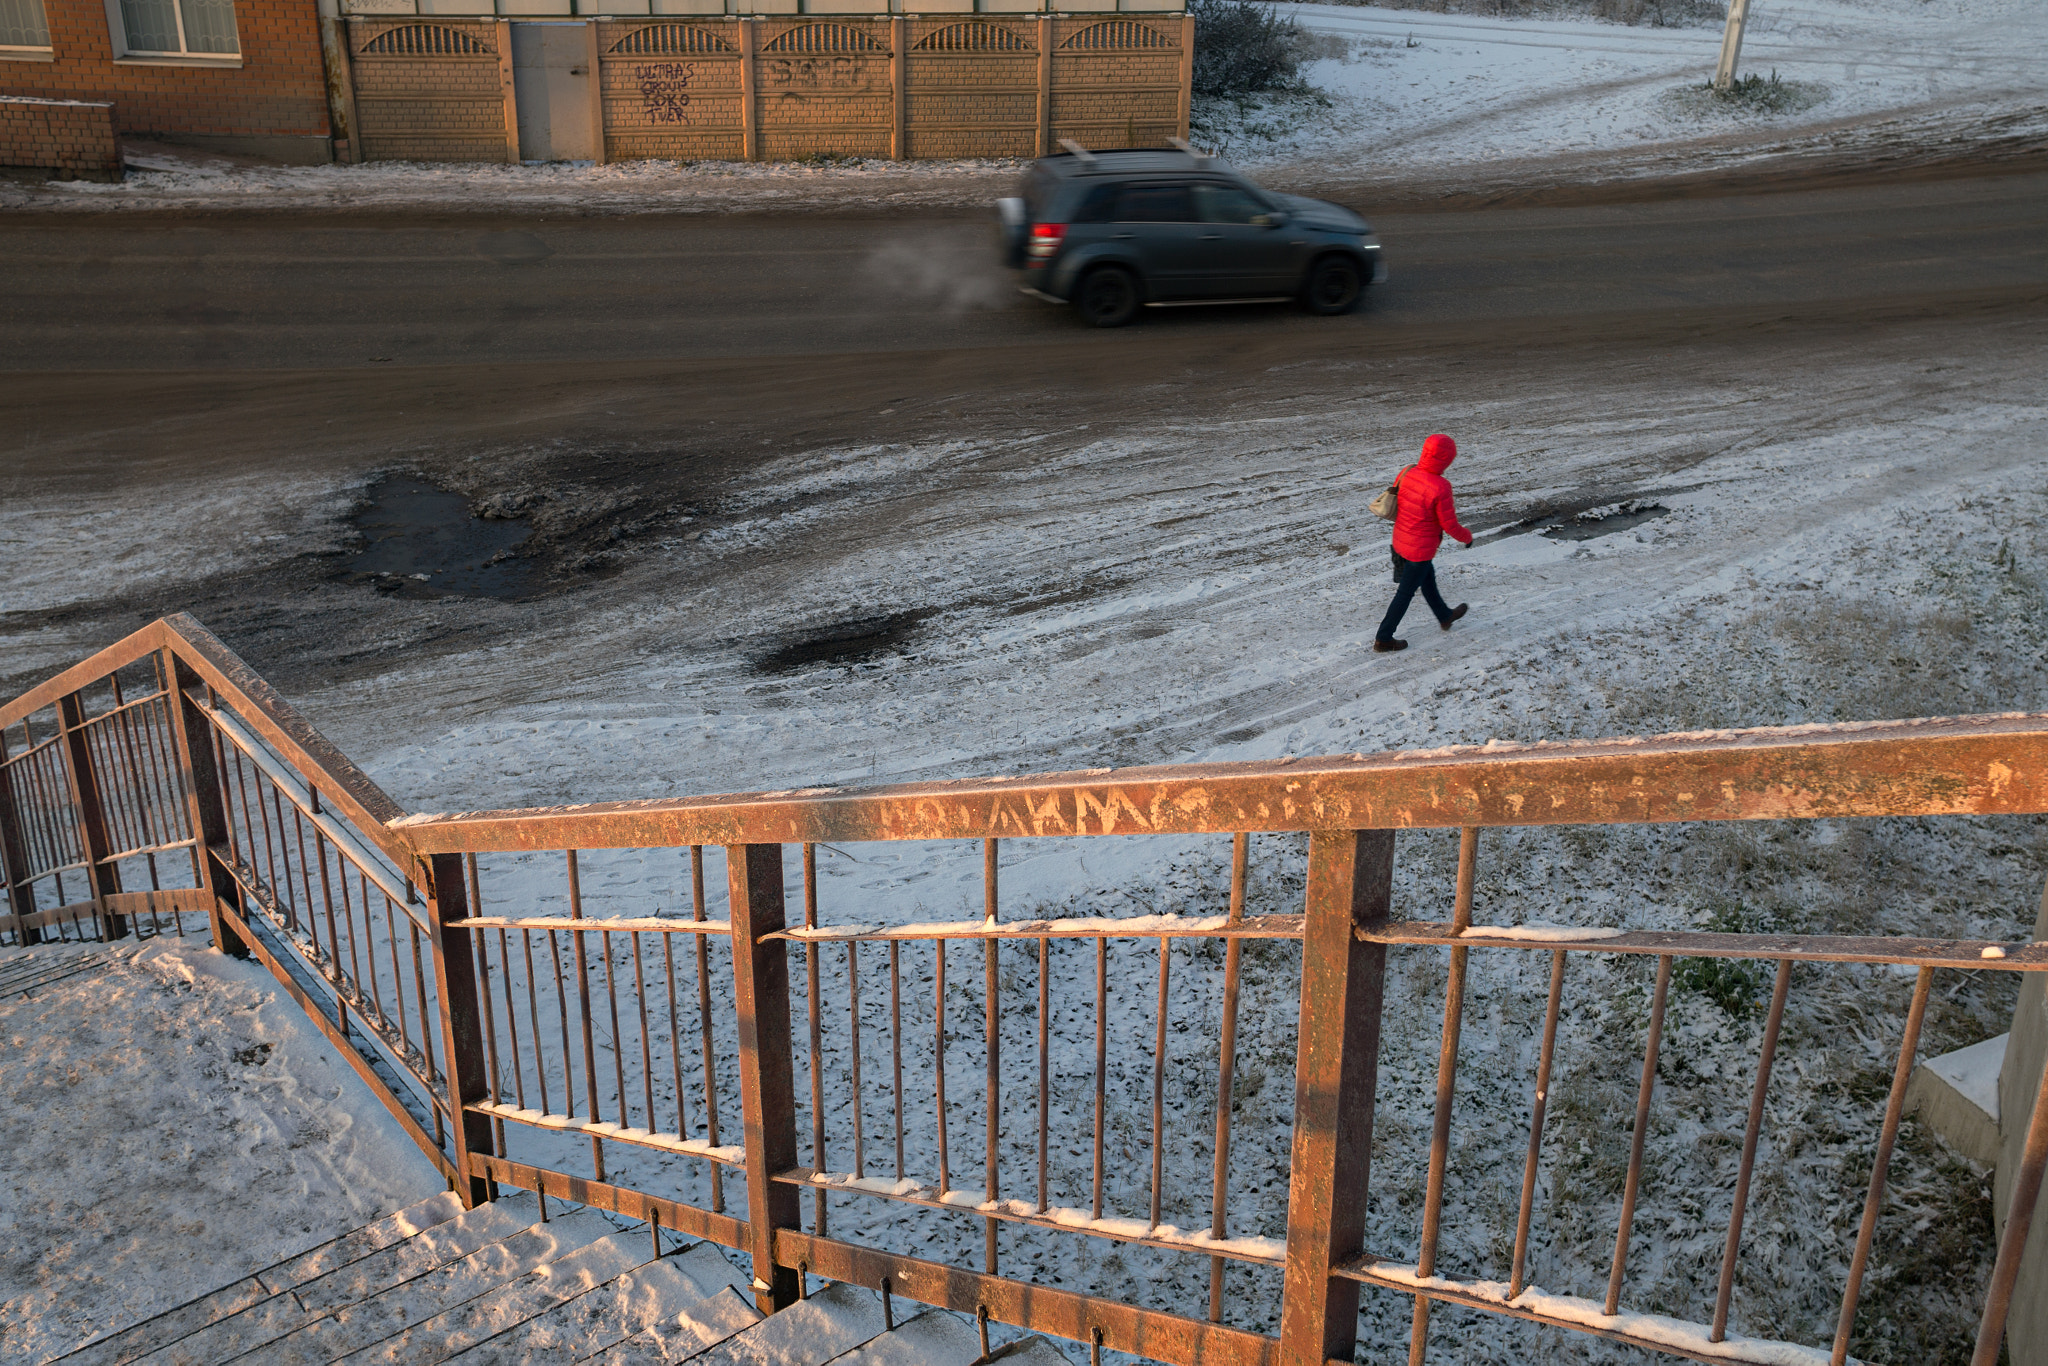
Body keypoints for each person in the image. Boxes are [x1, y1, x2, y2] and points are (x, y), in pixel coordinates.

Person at [1374, 433, 1471, 653]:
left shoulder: (1408, 471)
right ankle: (1383, 638)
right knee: (1405, 593)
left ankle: (1445, 616)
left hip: (1401, 539)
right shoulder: (1440, 486)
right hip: (1420, 549)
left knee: (1428, 579)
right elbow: (1449, 524)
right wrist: (1467, 537)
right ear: (1447, 459)